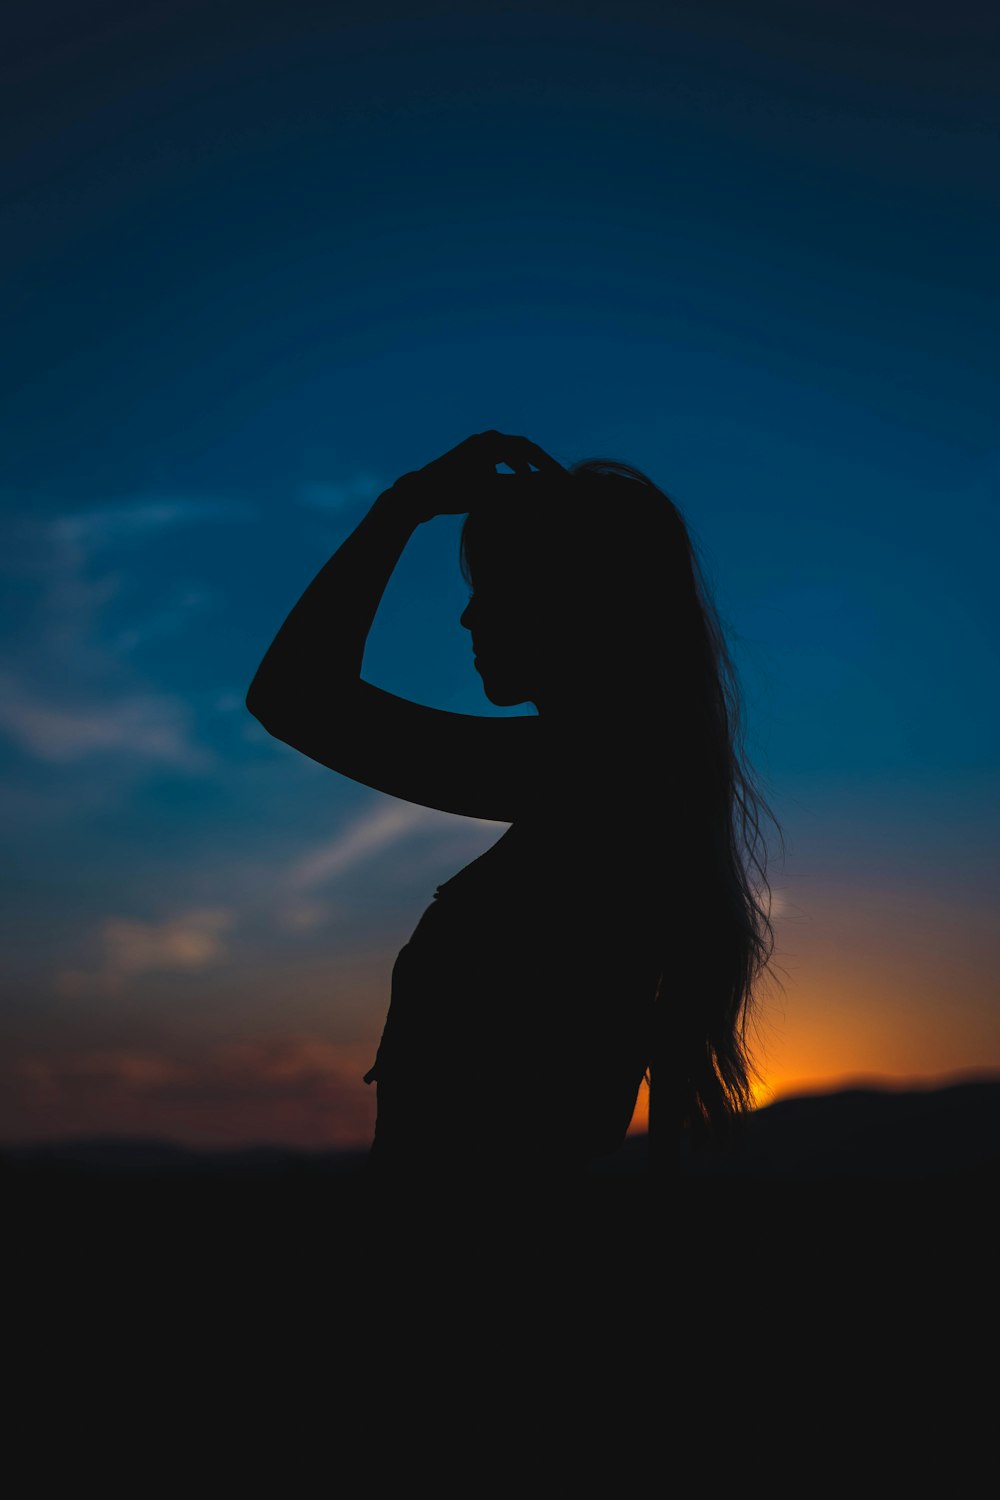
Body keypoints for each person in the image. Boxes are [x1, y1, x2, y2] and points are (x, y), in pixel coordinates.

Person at [246, 430, 781, 1183]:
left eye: (491, 587)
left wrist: (403, 509)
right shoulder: (622, 779)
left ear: (569, 601)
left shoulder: (595, 779)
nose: (467, 619)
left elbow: (293, 697)